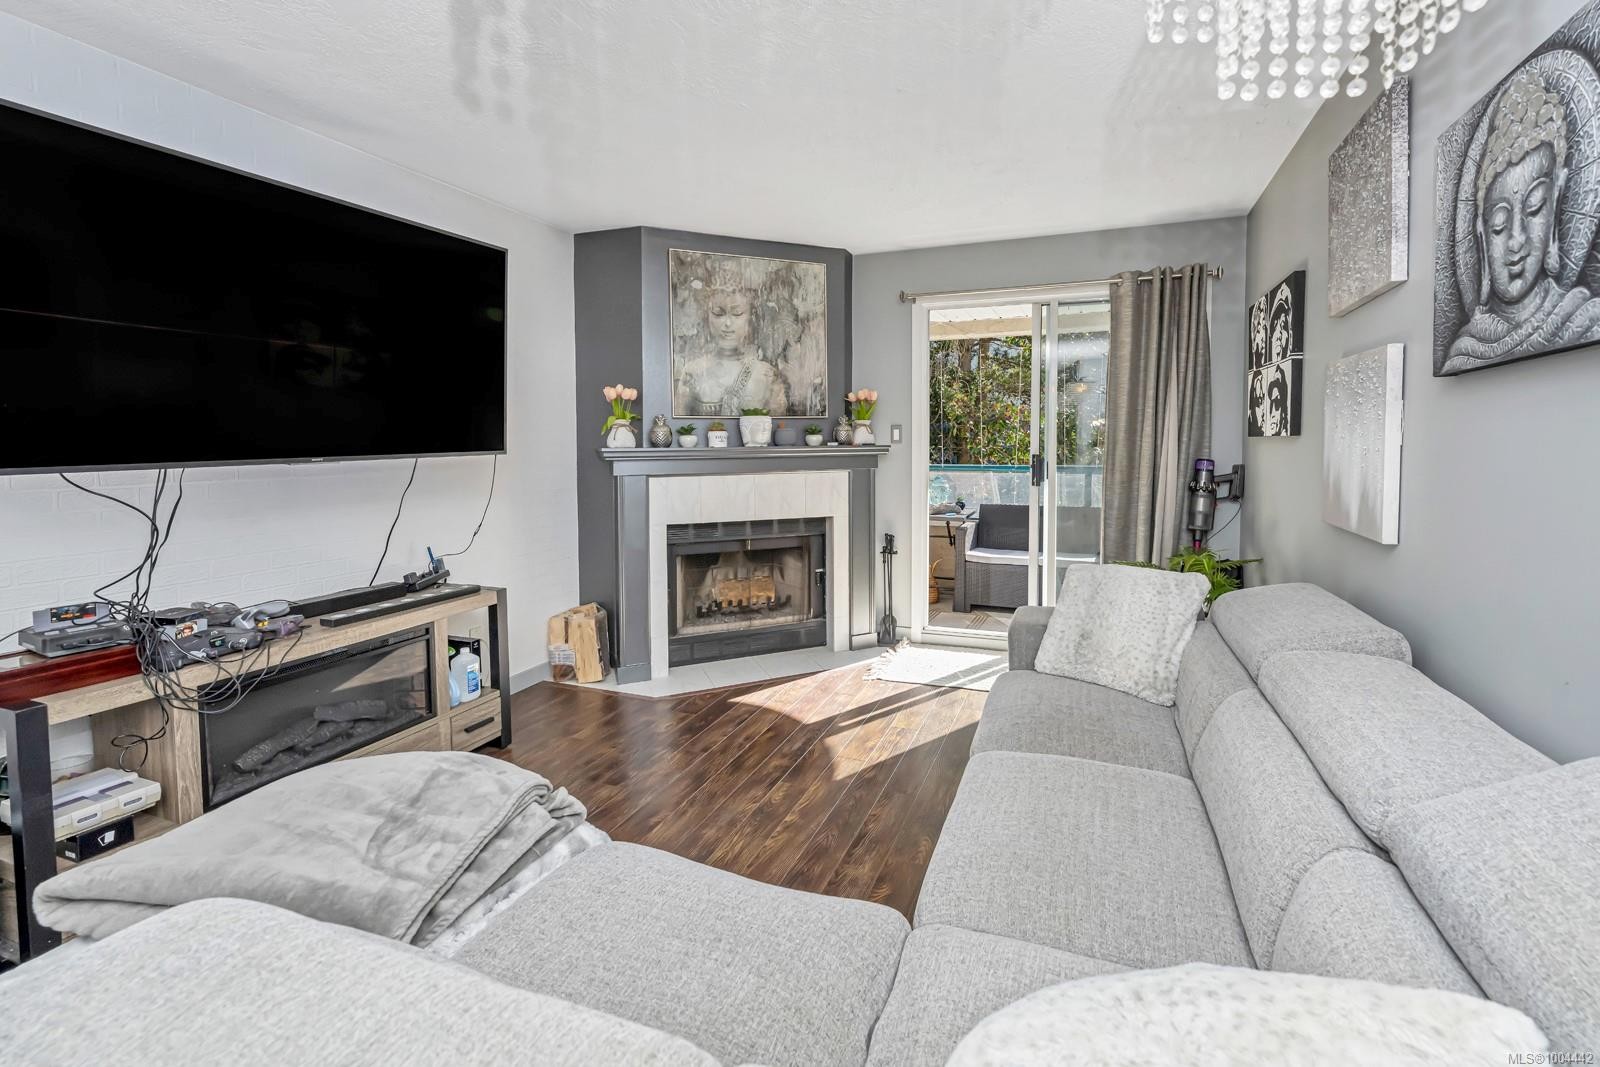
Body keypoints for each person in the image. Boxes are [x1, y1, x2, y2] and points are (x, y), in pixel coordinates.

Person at [1444, 66, 1600, 372]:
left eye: (1534, 208)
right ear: (1481, 236)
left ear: (1555, 210)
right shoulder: (1463, 353)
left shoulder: (1584, 319)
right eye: (1499, 225)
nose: (1517, 239)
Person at [675, 283, 789, 417]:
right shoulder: (693, 371)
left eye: (737, 314)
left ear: (750, 318)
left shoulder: (766, 374)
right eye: (718, 313)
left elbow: (779, 426)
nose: (727, 323)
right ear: (707, 317)